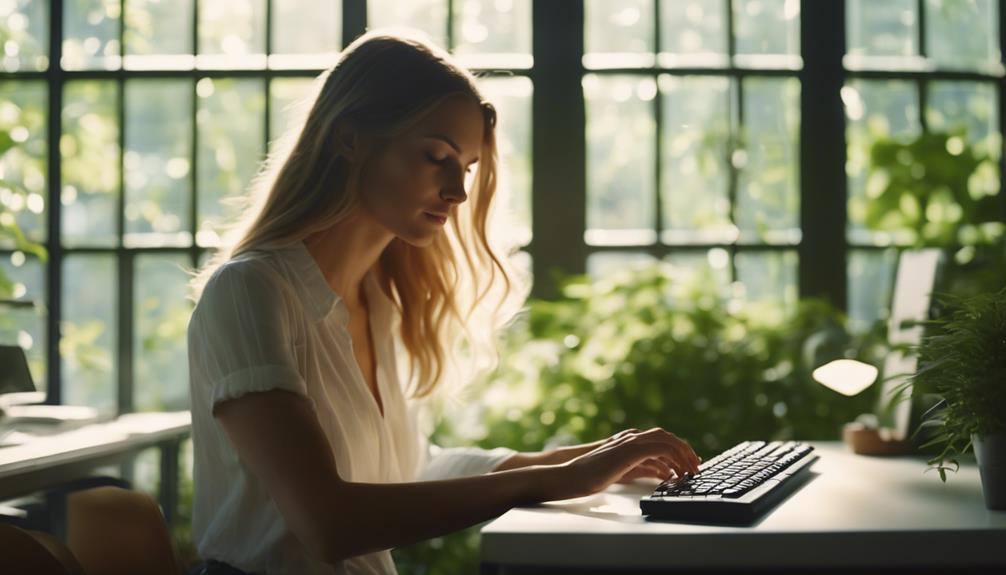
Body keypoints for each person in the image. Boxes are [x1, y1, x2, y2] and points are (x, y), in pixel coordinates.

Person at [186, 28, 701, 575]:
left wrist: (586, 461)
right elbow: (329, 521)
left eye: (468, 168)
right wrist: (555, 480)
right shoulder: (250, 292)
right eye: (437, 157)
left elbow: (407, 471)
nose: (457, 191)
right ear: (349, 139)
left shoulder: (377, 299)